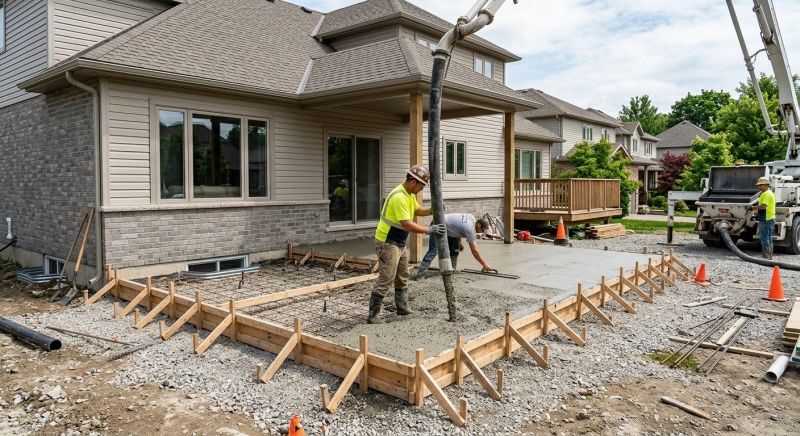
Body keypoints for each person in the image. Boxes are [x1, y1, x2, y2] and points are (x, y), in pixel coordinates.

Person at [368, 165, 445, 324]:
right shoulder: (399, 197)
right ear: (413, 181)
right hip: (387, 242)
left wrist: (431, 210)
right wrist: (429, 230)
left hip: (399, 242)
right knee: (387, 277)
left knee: (403, 275)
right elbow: (407, 224)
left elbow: (416, 210)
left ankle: (402, 307)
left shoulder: (409, 194)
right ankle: (373, 316)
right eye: (421, 186)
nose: (421, 189)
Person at [414, 213, 494, 278]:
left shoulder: (472, 218)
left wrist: (459, 242)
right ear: (479, 225)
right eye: (482, 230)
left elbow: (457, 228)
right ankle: (420, 275)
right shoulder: (470, 229)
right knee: (434, 250)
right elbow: (475, 251)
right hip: (438, 224)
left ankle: (451, 271)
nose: (481, 232)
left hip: (447, 226)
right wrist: (484, 264)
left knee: (455, 249)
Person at [750, 177, 776, 259]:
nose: (759, 187)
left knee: (764, 237)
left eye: (761, 185)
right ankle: (769, 256)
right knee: (768, 237)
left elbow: (763, 206)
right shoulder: (767, 193)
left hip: (766, 219)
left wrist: (753, 208)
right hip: (768, 218)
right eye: (759, 185)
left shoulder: (766, 194)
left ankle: (766, 256)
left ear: (767, 185)